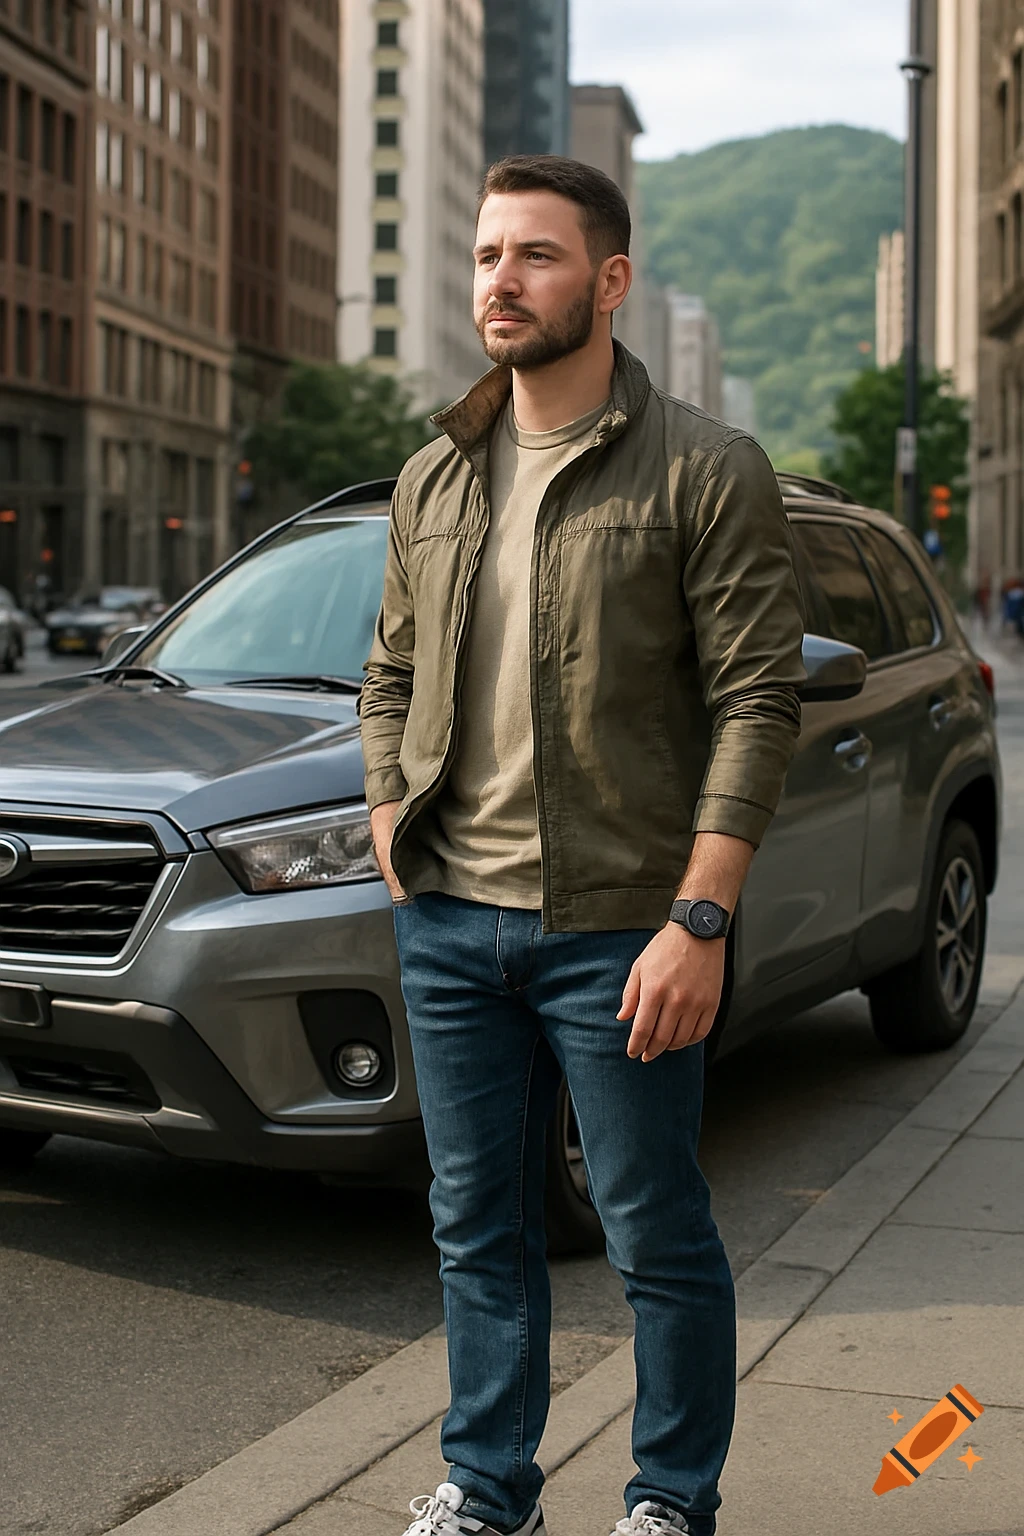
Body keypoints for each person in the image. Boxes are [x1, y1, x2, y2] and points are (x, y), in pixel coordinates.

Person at [360, 155, 806, 1536]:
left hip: (623, 928)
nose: (501, 280)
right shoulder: (434, 473)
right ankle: (489, 1488)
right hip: (451, 918)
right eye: (488, 254)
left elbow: (758, 700)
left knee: (652, 1229)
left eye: (536, 255)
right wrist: (387, 808)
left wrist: (701, 918)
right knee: (476, 1225)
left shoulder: (706, 468)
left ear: (610, 281)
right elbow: (389, 673)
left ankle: (670, 1497)